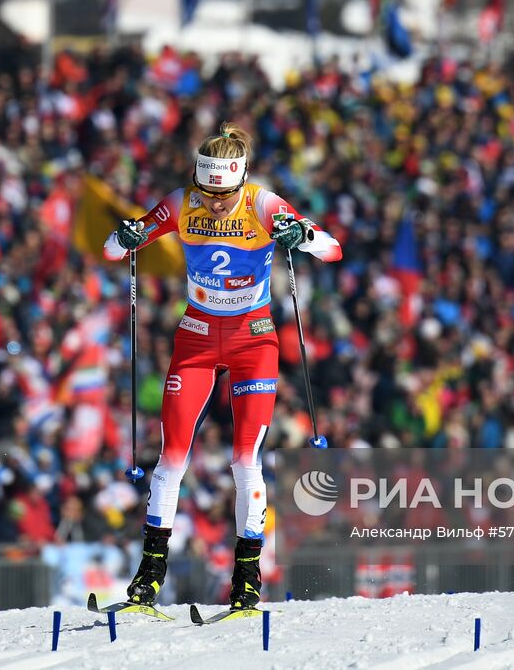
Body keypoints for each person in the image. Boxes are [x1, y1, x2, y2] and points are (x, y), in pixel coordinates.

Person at [103, 123, 341, 610]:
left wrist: (303, 235)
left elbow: (334, 249)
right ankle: (149, 576)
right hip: (196, 336)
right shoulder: (182, 202)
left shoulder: (263, 203)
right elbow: (114, 249)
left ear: (241, 181)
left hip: (253, 339)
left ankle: (247, 580)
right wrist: (124, 234)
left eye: (224, 194)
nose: (213, 203)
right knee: (172, 455)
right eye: (207, 191)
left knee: (243, 458)